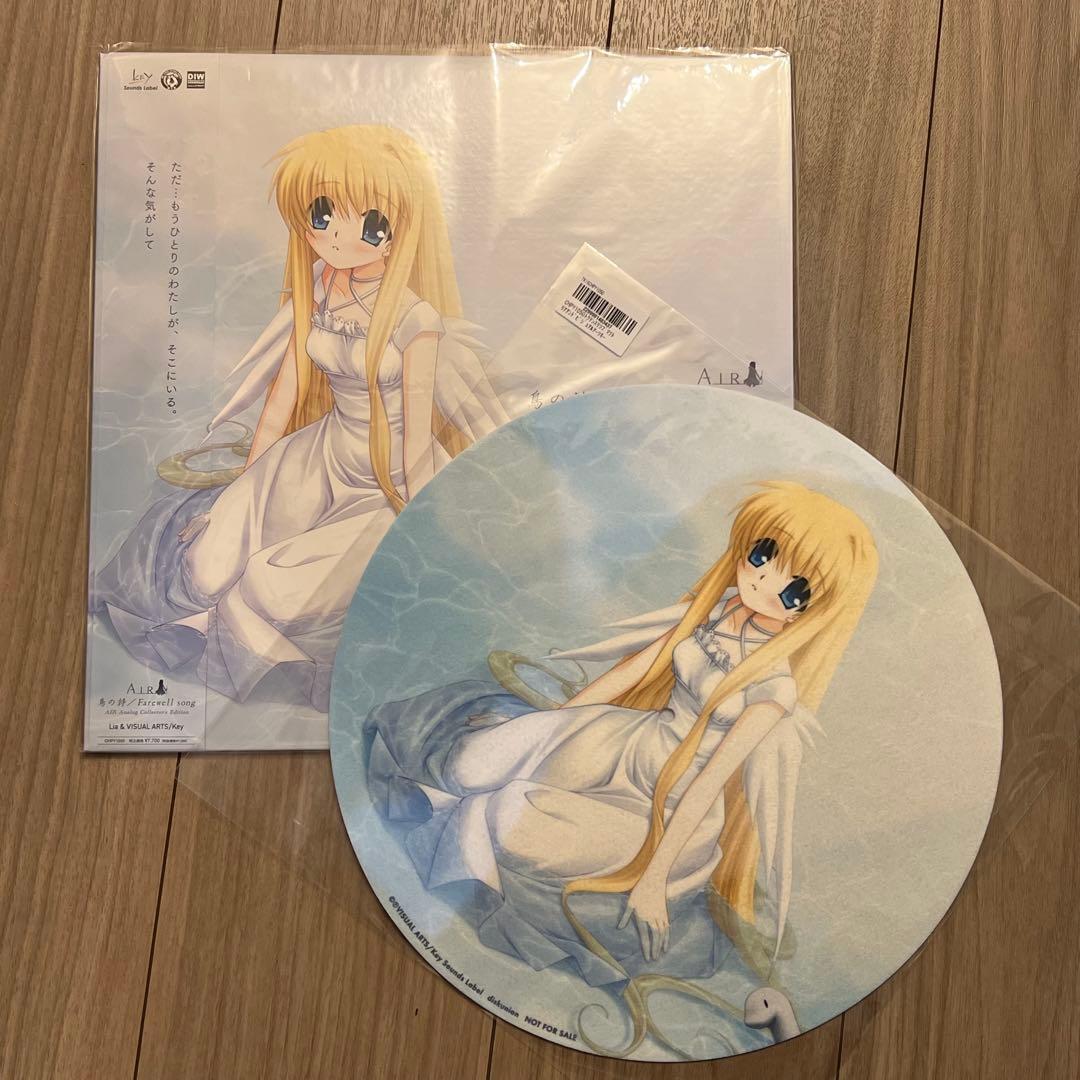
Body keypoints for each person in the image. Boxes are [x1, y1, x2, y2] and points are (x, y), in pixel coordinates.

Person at [365, 481, 877, 1053]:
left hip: (671, 810)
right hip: (629, 743)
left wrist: (655, 879)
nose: (765, 580)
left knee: (508, 814)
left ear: (814, 607)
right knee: (471, 763)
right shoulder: (717, 609)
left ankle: (463, 819)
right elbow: (635, 669)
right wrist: (548, 724)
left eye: (795, 586)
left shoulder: (775, 690)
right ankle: (464, 798)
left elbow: (710, 783)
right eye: (763, 555)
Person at [92, 125, 507, 710]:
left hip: (388, 483)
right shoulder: (318, 286)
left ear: (400, 230)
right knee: (204, 569)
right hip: (319, 456)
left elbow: (415, 446)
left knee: (269, 590)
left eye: (370, 224)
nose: (337, 236)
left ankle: (243, 629)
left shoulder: (417, 322)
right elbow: (283, 395)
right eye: (322, 214)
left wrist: (425, 537)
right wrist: (240, 493)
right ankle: (217, 610)